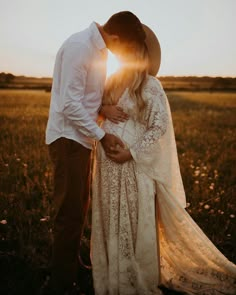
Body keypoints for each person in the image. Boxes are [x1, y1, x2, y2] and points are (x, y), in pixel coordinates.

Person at [91, 24, 236, 294]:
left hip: (134, 166)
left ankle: (136, 277)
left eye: (131, 51)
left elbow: (159, 127)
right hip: (108, 167)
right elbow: (89, 109)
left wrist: (130, 152)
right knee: (111, 218)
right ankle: (115, 275)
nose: (126, 55)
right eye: (123, 51)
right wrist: (102, 107)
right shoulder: (109, 81)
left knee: (135, 222)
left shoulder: (150, 85)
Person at [45, 11, 146, 294]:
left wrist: (103, 109)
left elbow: (87, 98)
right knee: (69, 212)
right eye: (125, 47)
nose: (123, 54)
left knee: (80, 207)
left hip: (80, 138)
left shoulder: (99, 50)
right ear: (114, 36)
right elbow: (69, 104)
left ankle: (71, 265)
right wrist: (102, 135)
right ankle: (61, 283)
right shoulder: (80, 47)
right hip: (67, 139)